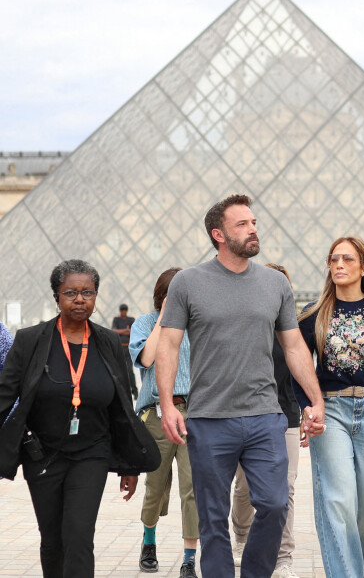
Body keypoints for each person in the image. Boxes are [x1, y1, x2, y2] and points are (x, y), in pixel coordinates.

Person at [155, 194, 325, 578]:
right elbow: (168, 344)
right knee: (213, 517)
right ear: (218, 234)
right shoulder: (188, 282)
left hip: (266, 416)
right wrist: (167, 405)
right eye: (242, 224)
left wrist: (316, 399)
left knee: (276, 503)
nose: (253, 229)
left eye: (253, 222)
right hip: (209, 418)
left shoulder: (275, 283)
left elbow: (294, 345)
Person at [0, 259, 160, 578]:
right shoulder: (31, 341)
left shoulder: (109, 342)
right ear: (56, 297)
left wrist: (128, 465)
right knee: (53, 540)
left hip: (92, 453)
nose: (79, 299)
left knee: (78, 536)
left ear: (96, 296)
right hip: (42, 454)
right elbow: (4, 396)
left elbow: (121, 408)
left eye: (87, 292)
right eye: (70, 292)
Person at [294, 236, 364, 578]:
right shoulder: (313, 314)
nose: (339, 264)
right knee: (338, 502)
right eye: (333, 259)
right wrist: (306, 408)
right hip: (331, 412)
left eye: (347, 259)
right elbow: (297, 366)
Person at [231, 263, 301, 578]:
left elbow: (302, 373)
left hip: (286, 415)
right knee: (245, 488)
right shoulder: (242, 327)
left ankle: (283, 558)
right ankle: (242, 537)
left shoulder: (293, 332)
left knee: (284, 490)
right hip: (247, 415)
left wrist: (310, 409)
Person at [129, 268, 200, 578]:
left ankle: (189, 558)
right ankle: (149, 542)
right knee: (155, 486)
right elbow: (145, 359)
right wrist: (164, 317)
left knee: (192, 488)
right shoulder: (145, 322)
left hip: (194, 414)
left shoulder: (197, 325)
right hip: (157, 414)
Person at [112, 303, 138, 400]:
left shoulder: (131, 319)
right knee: (119, 371)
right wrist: (126, 331)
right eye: (122, 310)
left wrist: (121, 331)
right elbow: (114, 331)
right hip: (119, 348)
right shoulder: (116, 319)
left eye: (125, 310)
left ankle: (135, 391)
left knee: (130, 371)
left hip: (128, 348)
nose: (124, 311)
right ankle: (121, 392)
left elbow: (134, 331)